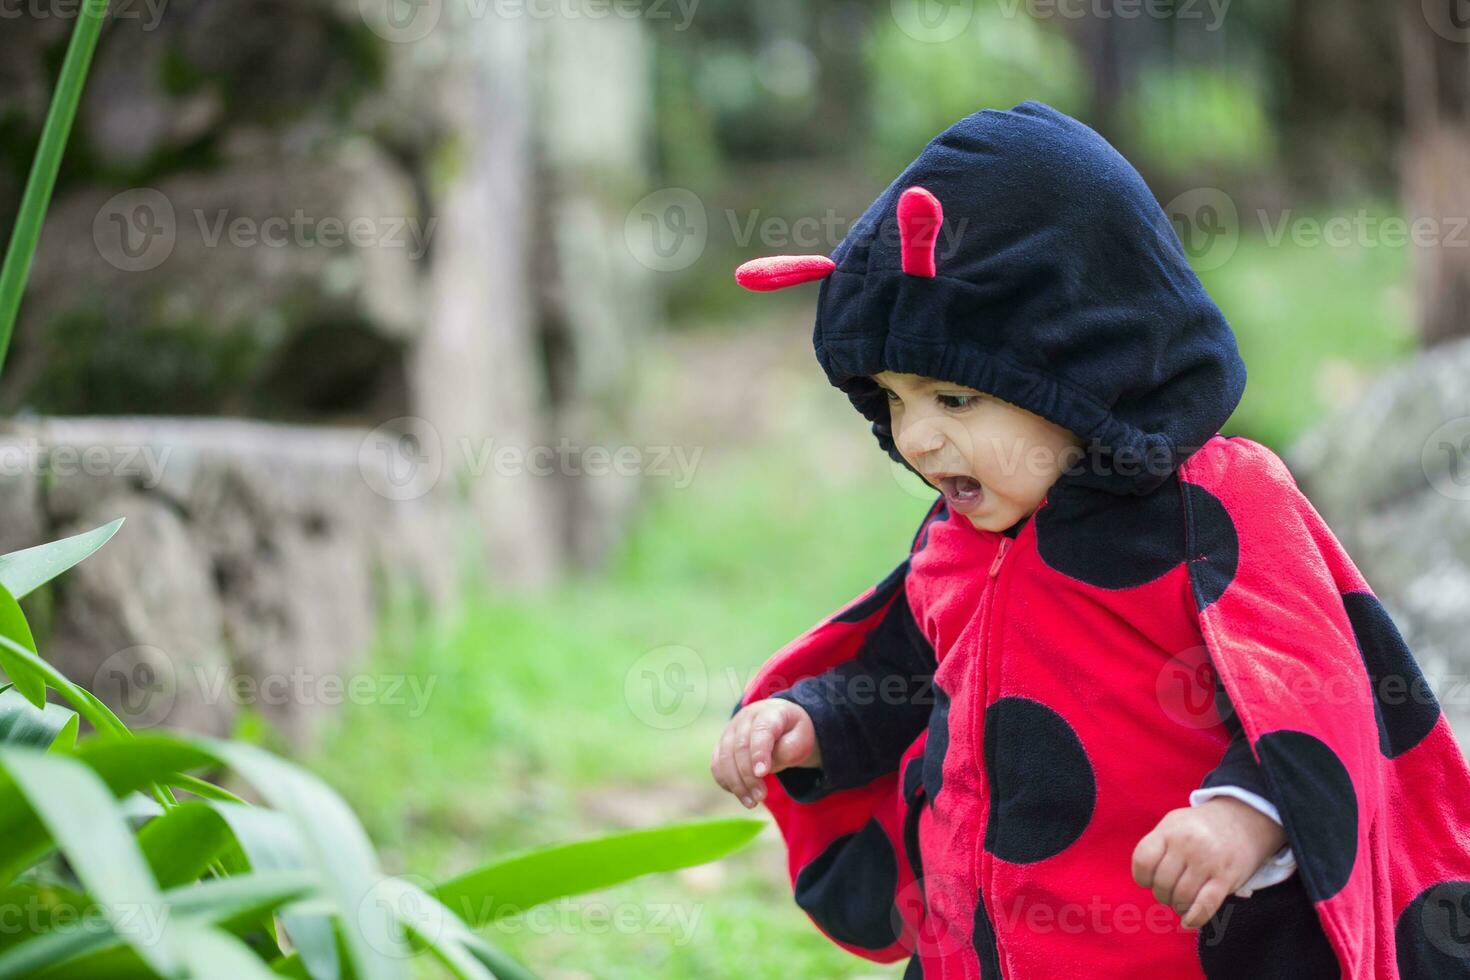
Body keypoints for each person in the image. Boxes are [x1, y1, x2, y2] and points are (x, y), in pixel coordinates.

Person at [709, 101, 1470, 978]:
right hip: (982, 949)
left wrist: (1243, 814)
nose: (915, 439)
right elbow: (907, 677)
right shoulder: (959, 540)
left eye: (954, 399)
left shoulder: (1215, 506)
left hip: (1175, 947)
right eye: (892, 399)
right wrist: (812, 720)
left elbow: (1316, 689)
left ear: (1081, 363)